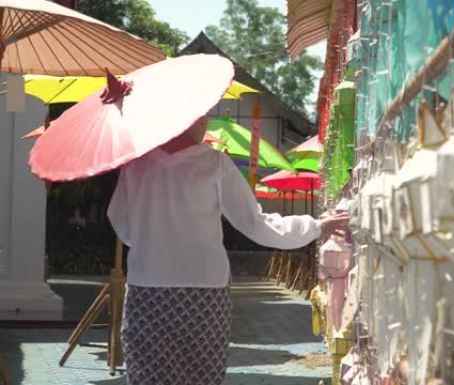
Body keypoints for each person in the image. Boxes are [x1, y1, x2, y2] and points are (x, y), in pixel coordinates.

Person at [107, 115, 349, 385]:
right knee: (200, 377)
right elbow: (257, 225)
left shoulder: (135, 165)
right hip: (204, 295)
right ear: (194, 120)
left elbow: (122, 225)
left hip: (148, 291)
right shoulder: (214, 163)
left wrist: (155, 239)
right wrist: (316, 227)